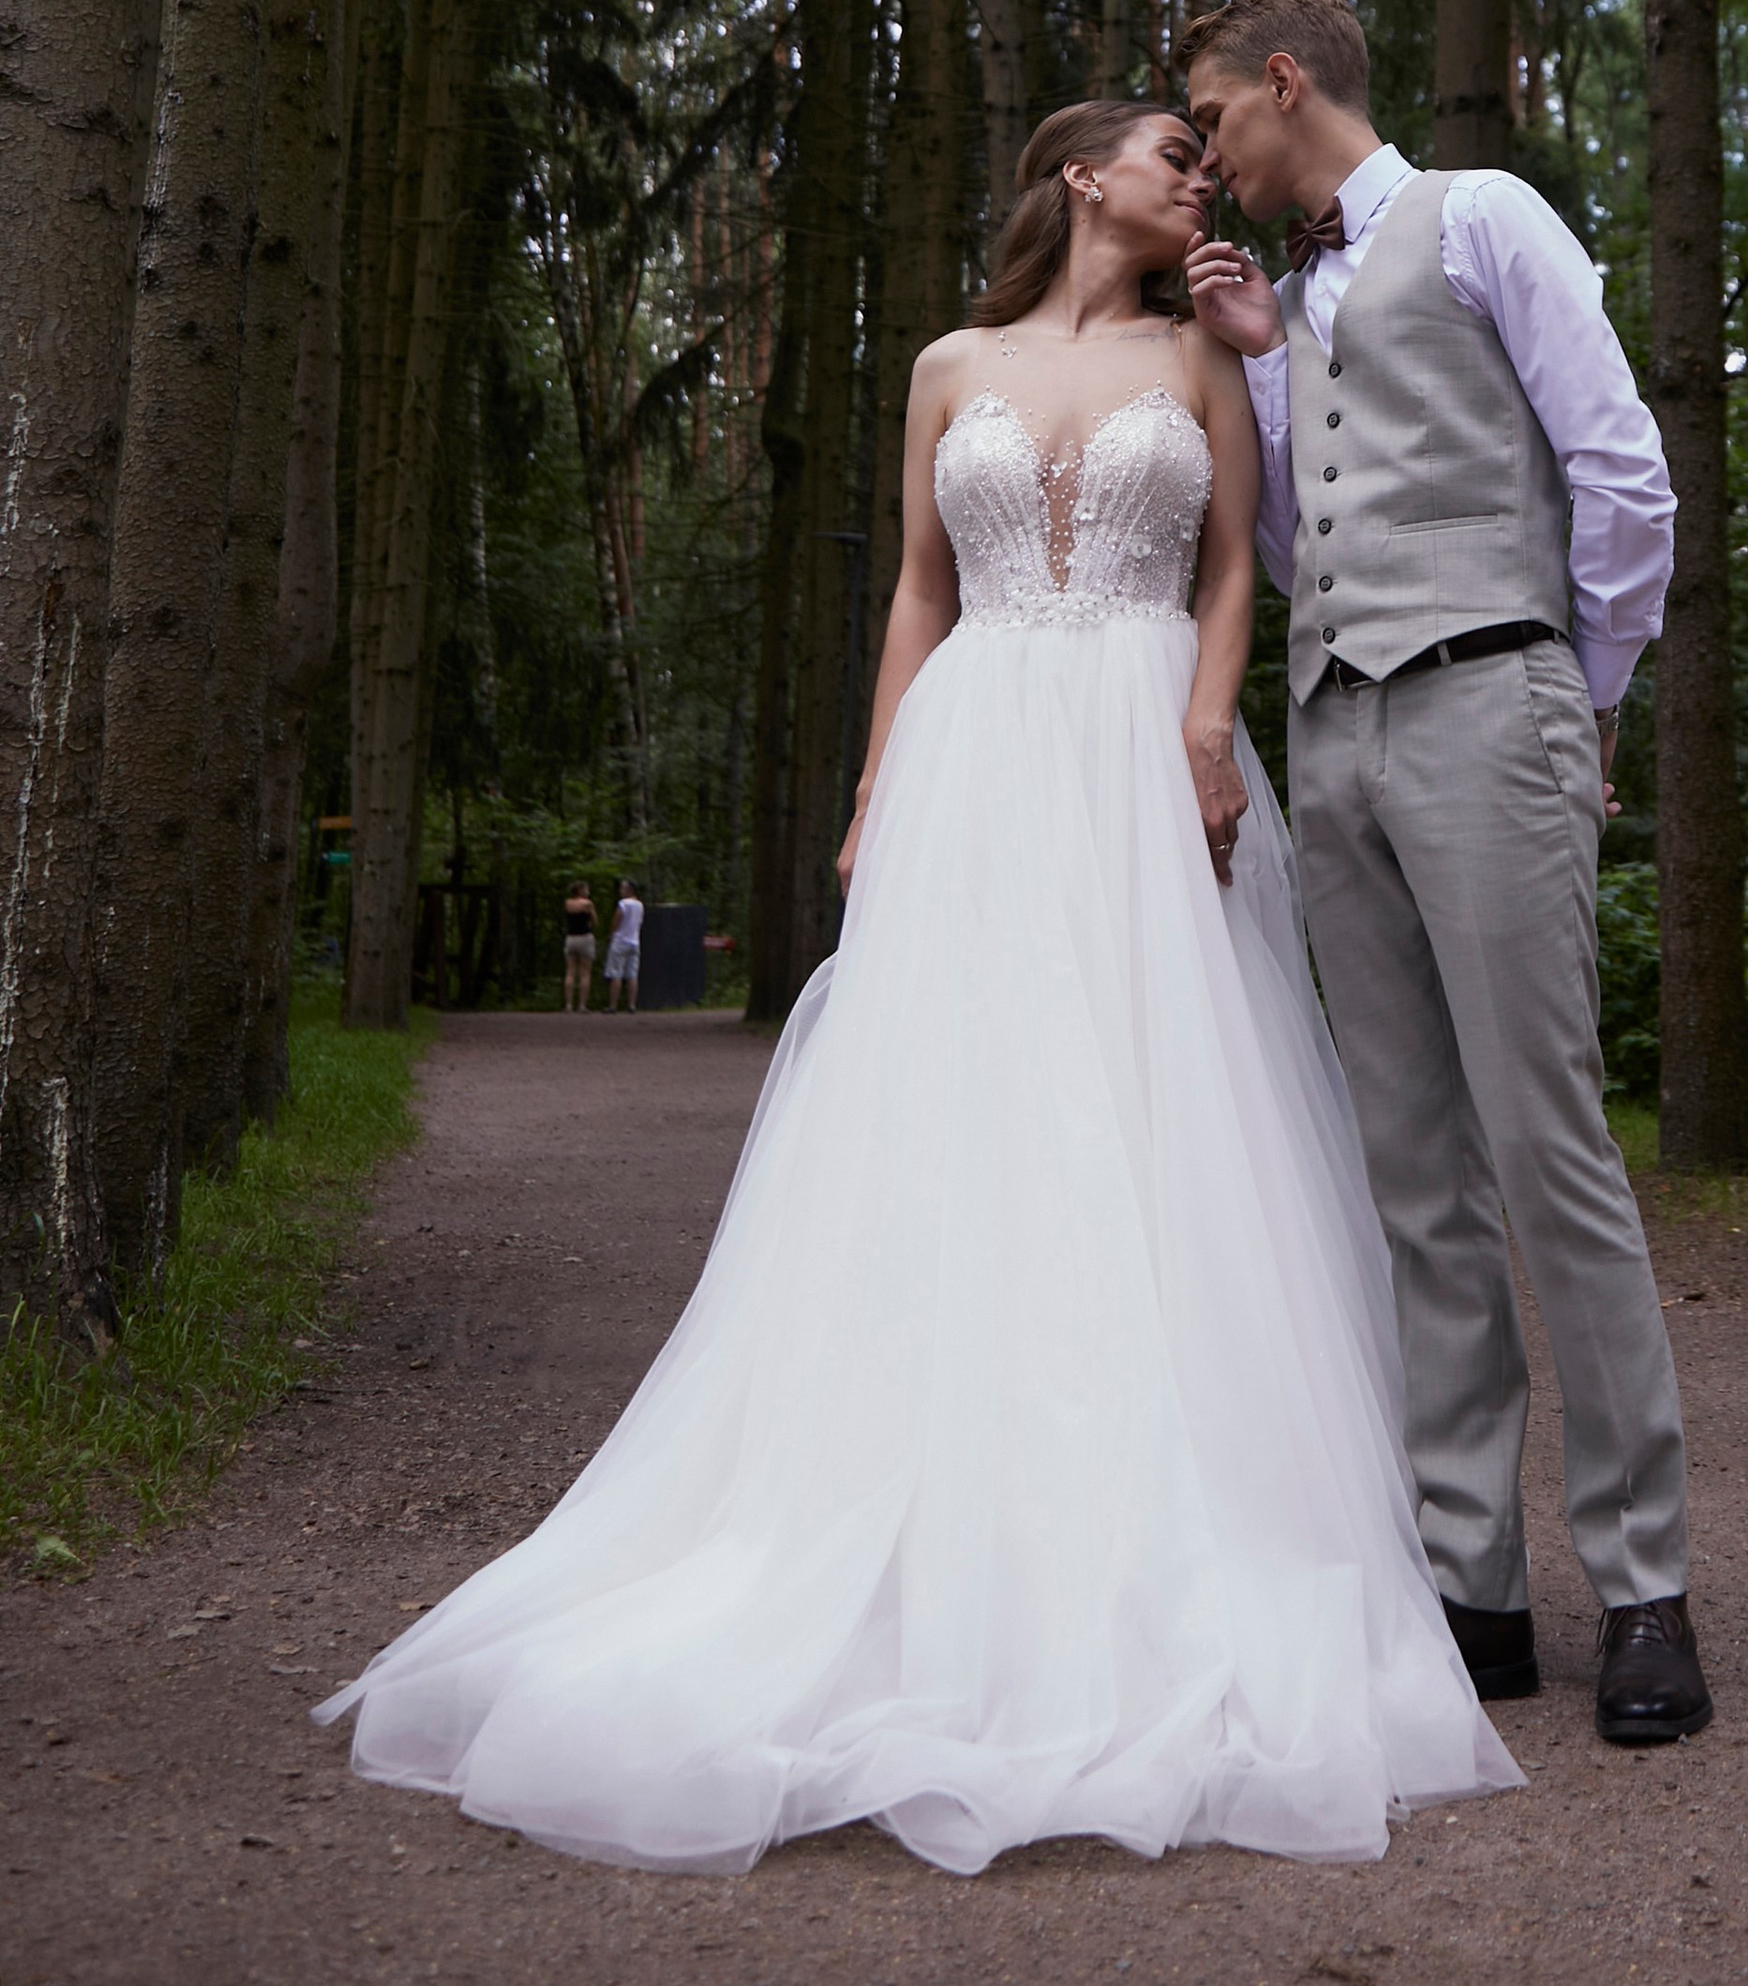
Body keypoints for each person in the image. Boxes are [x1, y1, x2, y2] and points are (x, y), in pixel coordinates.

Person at [318, 97, 1515, 1876]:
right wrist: (880, 786)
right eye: (1162, 150)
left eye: (1204, 152)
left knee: (1152, 1109)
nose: (1193, 171)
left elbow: (1232, 572)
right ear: (1074, 175)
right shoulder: (947, 360)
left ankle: (1152, 1526)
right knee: (951, 1109)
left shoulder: (1204, 357)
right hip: (973, 757)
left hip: (1132, 750)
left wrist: (1205, 729)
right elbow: (916, 587)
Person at [1177, 0, 1708, 1748]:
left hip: (1497, 701)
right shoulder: (1290, 302)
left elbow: (1622, 473)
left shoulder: (1482, 218)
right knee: (1419, 1179)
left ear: (1283, 81)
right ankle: (1473, 1583)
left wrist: (1589, 689)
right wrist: (1267, 347)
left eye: (1215, 120)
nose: (1206, 156)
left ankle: (1645, 1586)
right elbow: (1315, 498)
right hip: (1338, 737)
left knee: (1549, 1147)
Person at [602, 882, 643, 1010]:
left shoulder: (623, 904)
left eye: (622, 889)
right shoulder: (640, 905)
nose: (620, 891)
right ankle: (631, 1005)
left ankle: (613, 1005)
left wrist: (611, 933)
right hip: (634, 942)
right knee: (632, 975)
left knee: (616, 974)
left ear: (628, 890)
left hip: (620, 941)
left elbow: (617, 919)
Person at [562, 885, 599, 1013]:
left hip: (571, 938)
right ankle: (582, 1005)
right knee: (585, 973)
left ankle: (568, 1005)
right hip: (585, 938)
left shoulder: (568, 903)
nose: (588, 892)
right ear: (580, 891)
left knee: (570, 972)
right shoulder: (588, 904)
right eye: (586, 889)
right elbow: (595, 922)